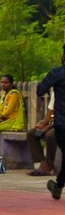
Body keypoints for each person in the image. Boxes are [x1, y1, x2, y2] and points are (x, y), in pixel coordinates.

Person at [41, 46, 65, 199]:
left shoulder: (57, 73)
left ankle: (59, 185)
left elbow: (40, 89)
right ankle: (59, 184)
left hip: (62, 123)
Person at [26, 105, 56, 176]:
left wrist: (49, 126)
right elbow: (51, 113)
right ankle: (42, 163)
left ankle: (49, 164)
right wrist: (42, 124)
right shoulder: (54, 96)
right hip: (51, 125)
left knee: (50, 135)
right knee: (33, 134)